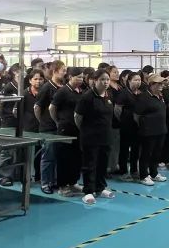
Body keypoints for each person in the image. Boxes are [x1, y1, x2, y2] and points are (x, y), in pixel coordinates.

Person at [75, 69, 116, 205]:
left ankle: (100, 187)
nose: (106, 82)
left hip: (106, 136)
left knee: (102, 163)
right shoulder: (87, 97)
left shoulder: (108, 95)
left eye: (107, 79)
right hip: (90, 137)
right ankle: (88, 191)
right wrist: (86, 130)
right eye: (102, 79)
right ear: (95, 80)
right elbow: (77, 117)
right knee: (90, 164)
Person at [49, 67, 85, 197]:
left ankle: (73, 182)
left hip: (78, 129)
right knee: (64, 158)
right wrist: (58, 122)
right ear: (70, 77)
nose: (81, 79)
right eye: (78, 77)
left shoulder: (80, 91)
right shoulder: (63, 91)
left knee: (76, 157)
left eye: (82, 77)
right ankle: (63, 186)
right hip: (65, 129)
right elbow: (52, 108)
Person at [35, 60, 66, 194]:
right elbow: (37, 107)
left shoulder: (64, 86)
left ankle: (55, 181)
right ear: (55, 71)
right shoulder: (47, 88)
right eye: (63, 70)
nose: (65, 73)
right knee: (48, 156)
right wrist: (43, 121)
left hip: (61, 127)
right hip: (49, 128)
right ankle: (45, 183)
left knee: (58, 156)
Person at [135, 73, 168, 184]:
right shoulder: (143, 97)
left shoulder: (160, 96)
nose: (161, 85)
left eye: (162, 83)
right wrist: (145, 125)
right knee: (146, 154)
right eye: (159, 83)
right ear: (152, 84)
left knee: (156, 153)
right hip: (148, 131)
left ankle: (154, 173)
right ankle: (144, 175)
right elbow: (136, 115)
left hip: (161, 130)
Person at [115, 70, 143, 180]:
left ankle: (134, 170)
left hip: (137, 126)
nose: (138, 82)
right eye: (135, 80)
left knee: (136, 149)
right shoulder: (124, 93)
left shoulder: (140, 93)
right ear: (129, 81)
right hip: (126, 126)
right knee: (124, 149)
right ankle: (123, 172)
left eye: (139, 80)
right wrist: (122, 120)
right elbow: (117, 110)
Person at [105, 65, 122, 175]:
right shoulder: (107, 89)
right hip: (110, 120)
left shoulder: (120, 87)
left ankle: (114, 165)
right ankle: (107, 168)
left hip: (120, 121)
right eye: (114, 72)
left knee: (116, 145)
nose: (117, 74)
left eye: (117, 72)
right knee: (109, 145)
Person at [159, 70, 169, 168]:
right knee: (162, 139)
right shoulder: (160, 90)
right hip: (162, 118)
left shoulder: (168, 89)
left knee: (168, 138)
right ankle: (160, 159)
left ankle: (166, 158)